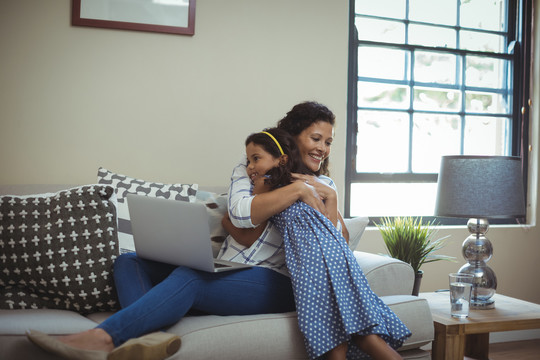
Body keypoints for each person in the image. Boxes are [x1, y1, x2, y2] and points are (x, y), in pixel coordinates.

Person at [24, 101, 335, 360]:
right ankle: (150, 338)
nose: (323, 149)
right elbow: (240, 215)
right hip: (230, 268)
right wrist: (294, 191)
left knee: (190, 279)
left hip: (277, 280)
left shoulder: (324, 185)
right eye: (316, 138)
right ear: (292, 139)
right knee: (128, 261)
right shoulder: (250, 168)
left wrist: (328, 197)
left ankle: (103, 338)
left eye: (328, 142)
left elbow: (338, 245)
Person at [241, 127, 410, 360]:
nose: (249, 167)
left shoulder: (267, 184)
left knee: (339, 335)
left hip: (313, 260)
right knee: (359, 332)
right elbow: (332, 227)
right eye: (248, 160)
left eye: (255, 159)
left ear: (281, 159)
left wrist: (225, 221)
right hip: (339, 254)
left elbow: (249, 235)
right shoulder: (307, 183)